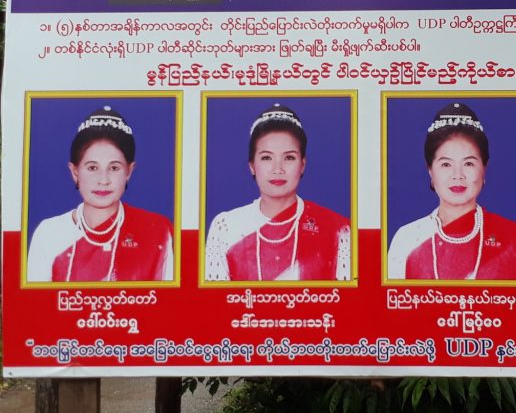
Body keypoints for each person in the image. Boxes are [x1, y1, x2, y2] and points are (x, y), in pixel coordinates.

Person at [205, 103, 351, 281]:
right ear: (252, 165)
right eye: (266, 157)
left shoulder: (338, 229)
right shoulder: (226, 227)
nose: (278, 169)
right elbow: (216, 305)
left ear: (302, 165)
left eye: (289, 157)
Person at [27, 107, 174, 282]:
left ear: (129, 171)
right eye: (92, 168)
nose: (103, 180)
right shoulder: (49, 233)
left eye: (114, 168)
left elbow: (168, 304)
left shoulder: (157, 231)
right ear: (75, 172)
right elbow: (36, 306)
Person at [388, 102, 516, 280]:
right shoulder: (407, 239)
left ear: (484, 169)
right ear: (430, 171)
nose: (458, 175)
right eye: (446, 164)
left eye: (469, 163)